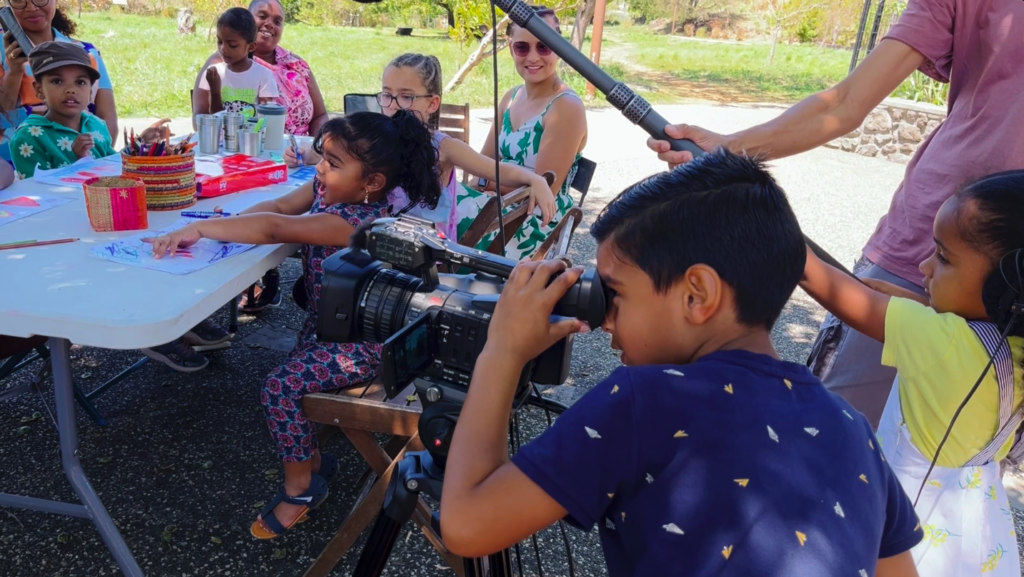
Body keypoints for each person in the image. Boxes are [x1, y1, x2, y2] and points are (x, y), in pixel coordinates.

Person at [439, 150, 922, 576]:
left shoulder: (640, 400)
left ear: (698, 295)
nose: (604, 319)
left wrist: (502, 349)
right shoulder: (852, 427)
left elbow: (466, 524)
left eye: (616, 294)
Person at [647, 0, 1024, 428]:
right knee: (835, 427)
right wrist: (730, 150)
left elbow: (819, 276)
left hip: (994, 273)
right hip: (932, 233)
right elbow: (844, 102)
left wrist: (779, 241)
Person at [146, 110, 441, 539]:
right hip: (329, 327)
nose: (320, 167)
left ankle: (299, 490)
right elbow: (279, 206)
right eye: (323, 156)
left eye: (333, 163)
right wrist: (225, 221)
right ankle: (315, 461)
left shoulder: (354, 223)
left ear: (372, 182)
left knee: (278, 388)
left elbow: (274, 227)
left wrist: (205, 229)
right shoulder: (330, 193)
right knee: (292, 378)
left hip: (363, 346)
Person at [800, 171, 1024, 576]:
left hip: (906, 519)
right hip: (969, 525)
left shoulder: (942, 344)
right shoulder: (1010, 348)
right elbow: (927, 314)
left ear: (1005, 286)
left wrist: (747, 209)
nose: (924, 265)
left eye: (943, 257)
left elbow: (816, 277)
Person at [286, 52, 556, 242]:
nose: (393, 105)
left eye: (406, 96)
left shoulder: (443, 148)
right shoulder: (377, 136)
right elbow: (337, 152)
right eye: (387, 94)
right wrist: (307, 153)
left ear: (432, 103)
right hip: (377, 245)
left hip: (424, 260)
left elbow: (497, 170)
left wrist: (535, 179)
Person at [453, 6, 587, 260]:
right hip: (498, 206)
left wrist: (486, 182)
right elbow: (483, 161)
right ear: (511, 46)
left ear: (558, 47)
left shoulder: (565, 107)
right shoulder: (510, 98)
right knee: (430, 202)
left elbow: (543, 188)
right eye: (523, 47)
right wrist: (484, 182)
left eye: (544, 46)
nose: (533, 57)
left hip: (531, 221)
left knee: (441, 213)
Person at [0, 0, 117, 165]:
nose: (31, 7)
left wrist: (96, 160)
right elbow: (2, 119)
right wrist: (14, 73)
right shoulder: (3, 53)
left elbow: (107, 117)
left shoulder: (86, 52)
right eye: (19, 0)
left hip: (86, 160)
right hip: (16, 162)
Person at [193, 0, 328, 137]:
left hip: (301, 150)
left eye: (277, 21)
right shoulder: (221, 63)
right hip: (248, 146)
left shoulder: (296, 64)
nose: (269, 24)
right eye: (262, 16)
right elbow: (201, 117)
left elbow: (320, 115)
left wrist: (315, 146)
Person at [9, 42, 115, 180]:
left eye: (80, 82)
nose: (71, 89)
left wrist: (139, 145)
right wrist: (79, 162)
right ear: (39, 90)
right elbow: (37, 189)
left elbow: (114, 169)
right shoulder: (29, 136)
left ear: (90, 91)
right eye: (57, 81)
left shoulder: (96, 125)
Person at [193, 7, 279, 118]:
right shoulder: (213, 74)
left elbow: (265, 119)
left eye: (232, 45)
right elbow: (214, 120)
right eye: (220, 42)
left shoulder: (264, 75)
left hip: (250, 135)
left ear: (251, 47)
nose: (223, 48)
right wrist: (215, 91)